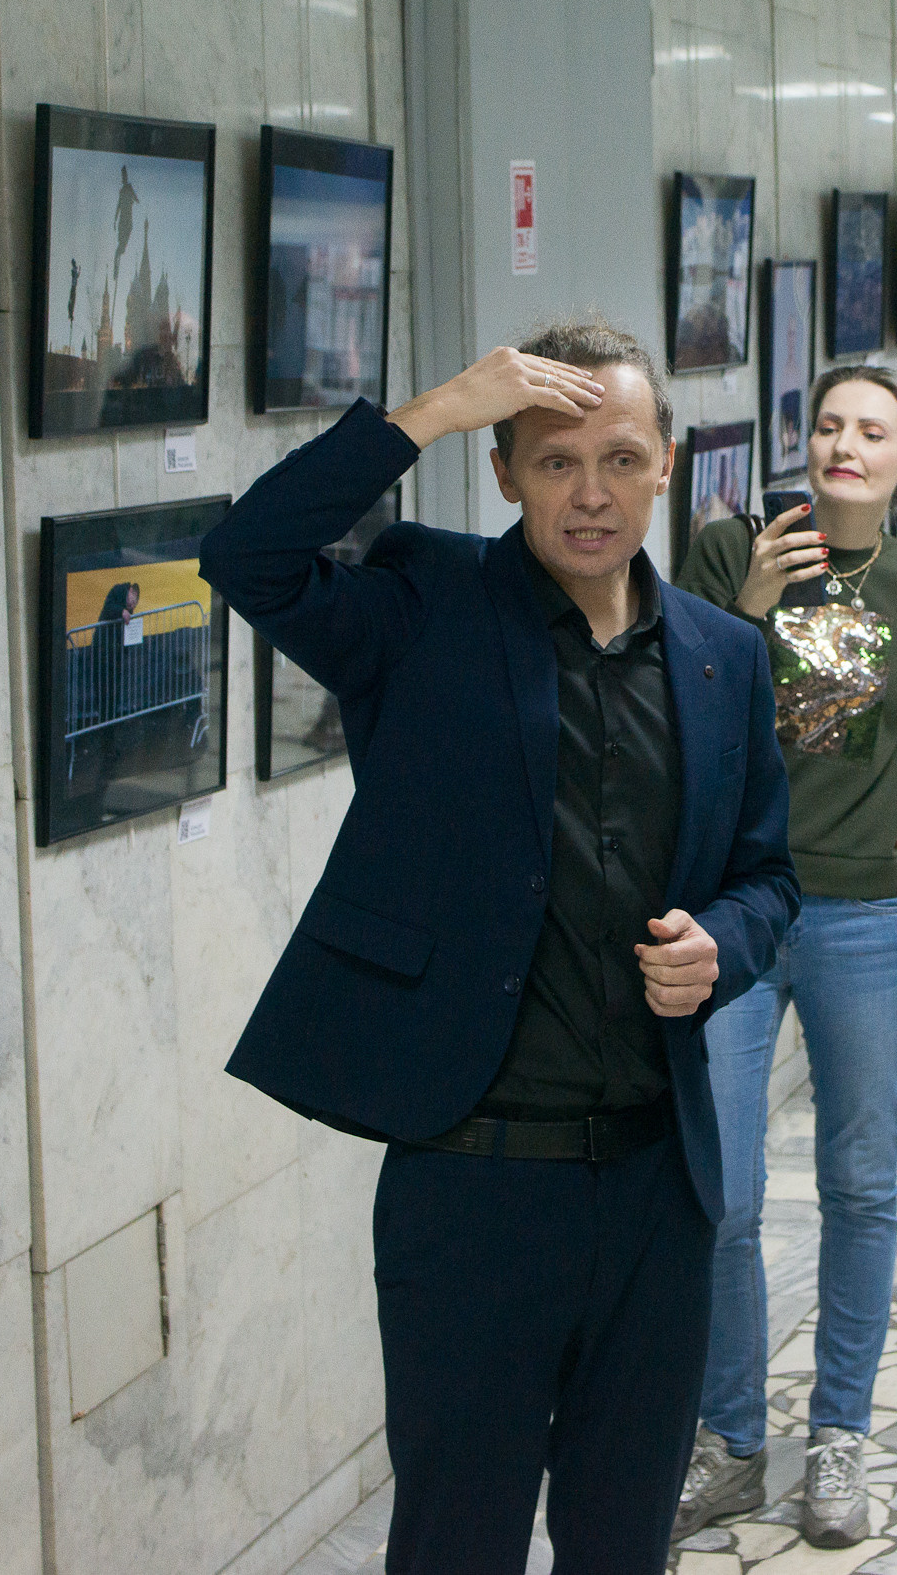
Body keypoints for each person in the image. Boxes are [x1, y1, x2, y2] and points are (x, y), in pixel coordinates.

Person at [200, 322, 799, 1573]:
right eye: (555, 460)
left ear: (668, 464)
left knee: (621, 1540)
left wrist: (724, 945)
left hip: (654, 1187)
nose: (591, 493)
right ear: (505, 473)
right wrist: (433, 408)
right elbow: (246, 551)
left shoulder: (722, 653)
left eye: (621, 458)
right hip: (471, 1180)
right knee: (455, 1541)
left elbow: (767, 872)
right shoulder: (421, 603)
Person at [669, 365, 897, 1543]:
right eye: (827, 424)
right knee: (720, 1188)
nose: (844, 443)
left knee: (859, 1185)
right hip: (733, 910)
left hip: (868, 915)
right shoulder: (732, 551)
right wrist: (756, 605)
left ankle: (838, 1436)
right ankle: (729, 1441)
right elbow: (676, 694)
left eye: (873, 430)